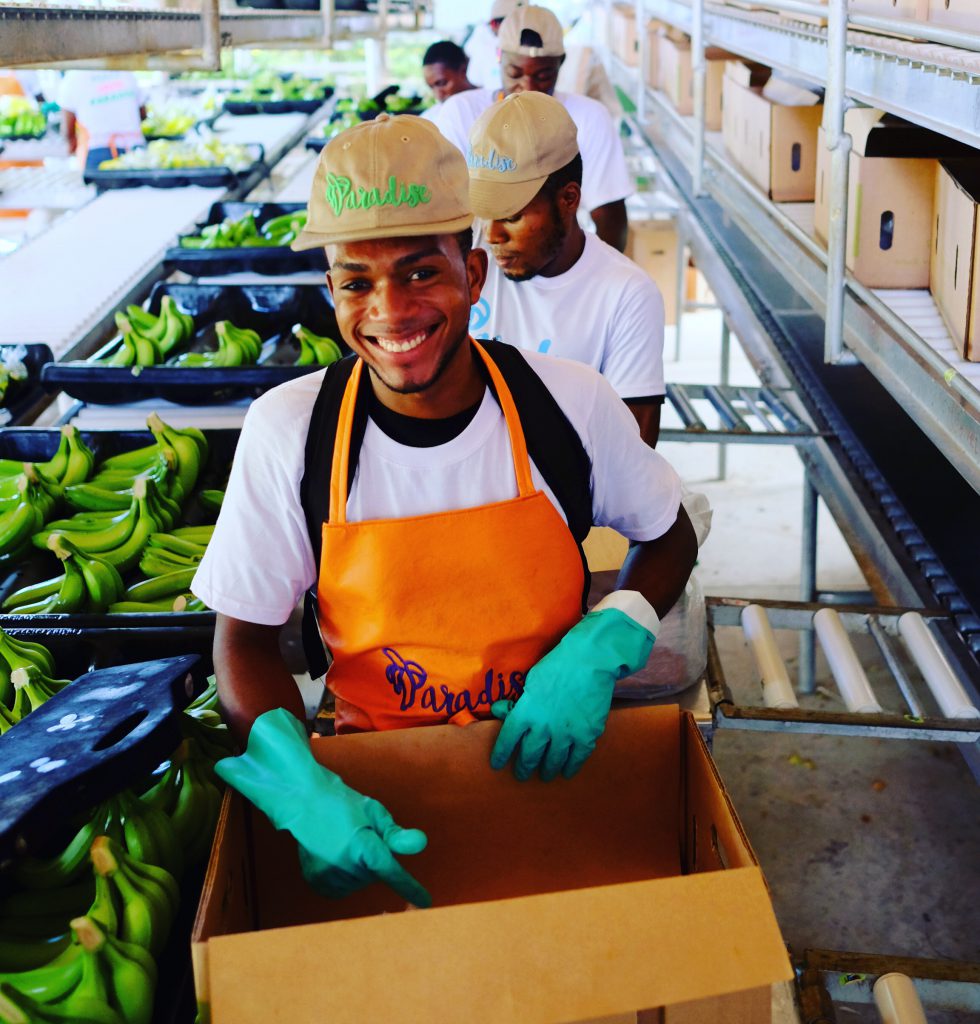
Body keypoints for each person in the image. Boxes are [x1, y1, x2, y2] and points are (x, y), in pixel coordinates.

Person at [193, 113, 697, 906]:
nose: (391, 311)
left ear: (473, 272)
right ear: (331, 291)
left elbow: (670, 534)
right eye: (356, 282)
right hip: (376, 791)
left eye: (421, 272)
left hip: (550, 762)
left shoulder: (567, 405)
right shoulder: (293, 434)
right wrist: (298, 782)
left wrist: (608, 636)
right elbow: (244, 639)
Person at [467, 91, 665, 447]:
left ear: (569, 199)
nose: (493, 235)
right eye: (485, 211)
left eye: (512, 216)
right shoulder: (468, 257)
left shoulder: (626, 294)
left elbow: (633, 458)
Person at [432, 4, 632, 252]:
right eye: (514, 73)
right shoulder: (461, 113)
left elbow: (610, 215)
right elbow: (446, 210)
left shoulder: (590, 118)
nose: (527, 87)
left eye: (543, 76)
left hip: (555, 263)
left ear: (561, 63)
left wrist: (600, 279)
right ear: (499, 57)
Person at [57, 70, 144, 174]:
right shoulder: (125, 70)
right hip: (136, 151)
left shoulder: (73, 76)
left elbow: (68, 132)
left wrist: (72, 150)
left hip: (98, 152)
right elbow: (142, 114)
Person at [464, 0, 526, 90]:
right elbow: (476, 82)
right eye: (513, 22)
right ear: (494, 24)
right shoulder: (481, 43)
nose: (520, 27)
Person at [422, 41, 476, 106]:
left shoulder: (489, 102)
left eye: (442, 83)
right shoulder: (432, 114)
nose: (438, 95)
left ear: (462, 71)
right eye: (431, 87)